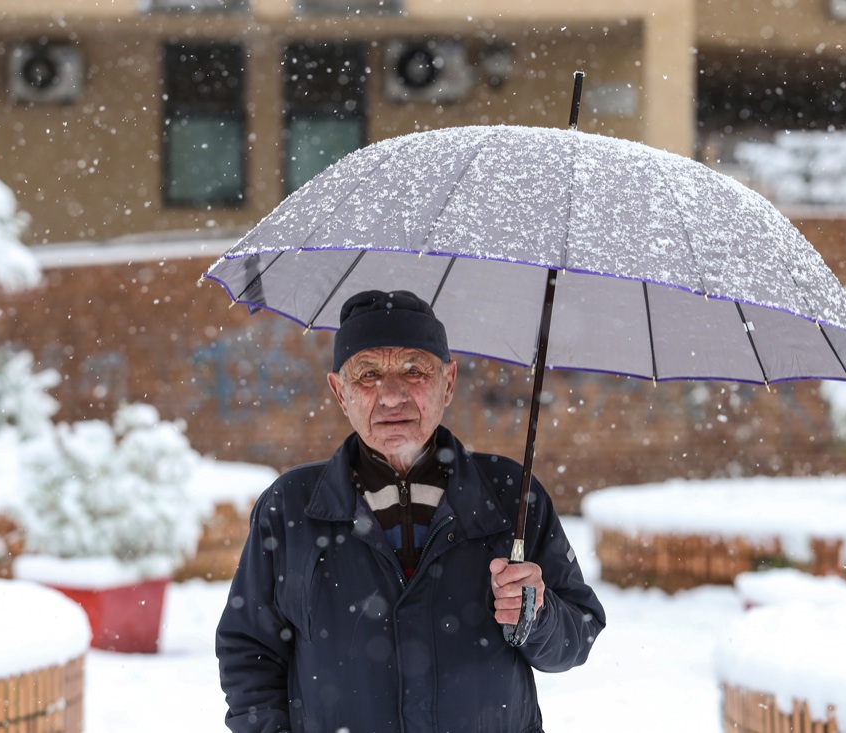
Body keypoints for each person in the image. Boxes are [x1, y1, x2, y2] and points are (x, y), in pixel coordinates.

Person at [216, 289, 605, 733]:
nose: (392, 395)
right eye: (368, 375)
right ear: (339, 392)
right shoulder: (290, 507)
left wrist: (538, 615)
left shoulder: (510, 495)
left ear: (449, 382)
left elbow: (578, 635)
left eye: (414, 369)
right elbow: (249, 651)